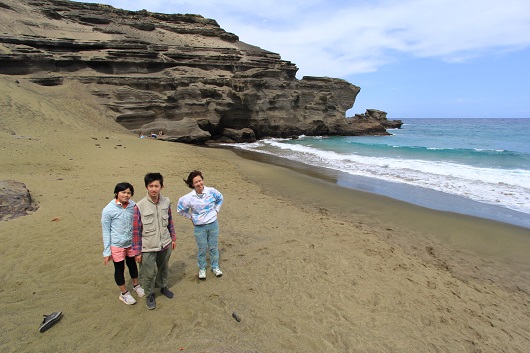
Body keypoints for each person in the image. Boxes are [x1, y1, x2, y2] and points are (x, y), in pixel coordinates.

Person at [132, 173, 176, 310]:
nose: (153, 189)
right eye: (151, 186)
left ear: (161, 186)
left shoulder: (166, 202)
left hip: (165, 243)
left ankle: (163, 286)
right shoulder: (139, 206)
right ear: (146, 187)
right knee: (148, 272)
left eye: (156, 186)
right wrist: (137, 252)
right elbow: (135, 231)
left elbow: (170, 221)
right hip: (148, 246)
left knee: (163, 268)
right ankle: (150, 294)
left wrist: (173, 238)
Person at [101, 182, 145, 305]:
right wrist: (107, 251)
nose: (126, 195)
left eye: (129, 193)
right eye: (123, 192)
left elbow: (138, 224)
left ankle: (136, 285)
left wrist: (139, 243)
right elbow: (106, 231)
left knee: (132, 265)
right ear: (116, 193)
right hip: (117, 245)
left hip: (131, 243)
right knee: (119, 269)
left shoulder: (134, 206)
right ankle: (124, 293)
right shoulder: (108, 210)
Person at [177, 170, 224, 280]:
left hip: (213, 224)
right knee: (202, 248)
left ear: (203, 180)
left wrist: (217, 210)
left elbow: (220, 198)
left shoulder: (211, 191)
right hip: (199, 227)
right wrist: (190, 217)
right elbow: (180, 210)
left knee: (213, 247)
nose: (199, 184)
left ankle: (215, 266)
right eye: (196, 182)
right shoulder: (188, 198)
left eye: (200, 180)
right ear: (192, 184)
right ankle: (202, 268)